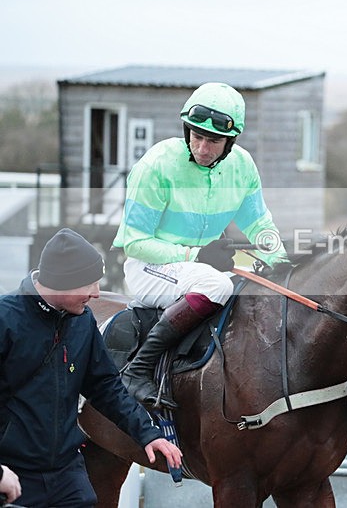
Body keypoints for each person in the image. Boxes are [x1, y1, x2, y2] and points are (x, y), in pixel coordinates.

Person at [113, 82, 288, 409]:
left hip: (203, 263)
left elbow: (259, 224)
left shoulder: (243, 166)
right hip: (150, 266)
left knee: (265, 277)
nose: (203, 148)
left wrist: (283, 263)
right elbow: (134, 243)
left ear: (231, 141)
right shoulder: (156, 166)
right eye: (197, 136)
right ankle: (138, 369)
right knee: (217, 284)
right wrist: (195, 256)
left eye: (214, 140)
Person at [0, 228, 182, 507]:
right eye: (90, 284)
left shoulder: (82, 321)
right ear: (63, 282)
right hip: (12, 475)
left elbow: (106, 386)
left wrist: (148, 433)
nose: (97, 293)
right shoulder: (6, 320)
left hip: (67, 474)